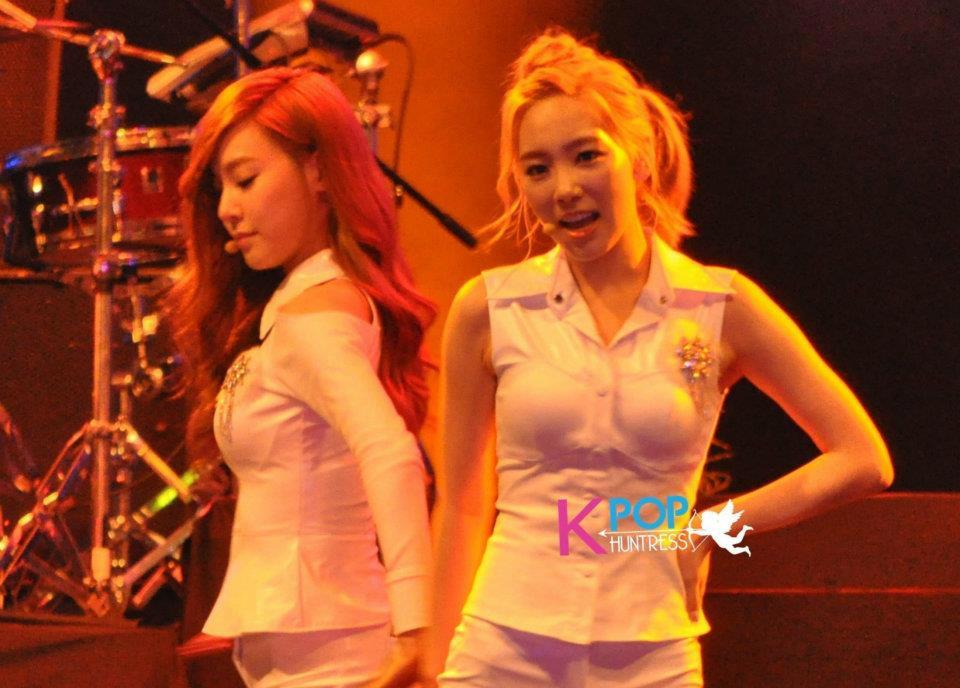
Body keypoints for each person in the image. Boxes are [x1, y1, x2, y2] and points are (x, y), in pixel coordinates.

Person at [425, 30, 893, 687]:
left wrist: (708, 527)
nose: (564, 188)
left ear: (638, 157)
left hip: (652, 654)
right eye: (538, 169)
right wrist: (432, 664)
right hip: (502, 648)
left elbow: (862, 457)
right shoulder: (489, 308)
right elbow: (463, 505)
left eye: (586, 156)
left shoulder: (720, 305)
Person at [170, 66, 435, 688]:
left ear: (318, 171)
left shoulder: (314, 316)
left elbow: (392, 453)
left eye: (246, 179)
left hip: (329, 651)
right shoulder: (300, 303)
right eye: (219, 188)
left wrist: (418, 626)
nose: (227, 209)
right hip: (310, 640)